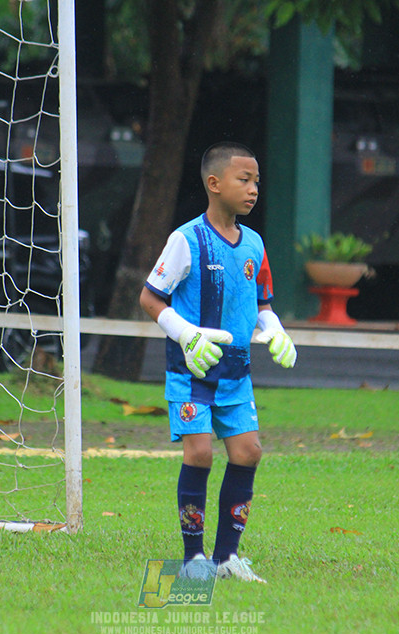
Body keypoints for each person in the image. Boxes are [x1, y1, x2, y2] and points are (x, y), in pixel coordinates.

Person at [139, 141, 297, 583]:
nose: (253, 189)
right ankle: (193, 559)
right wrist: (188, 335)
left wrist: (276, 330)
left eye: (257, 182)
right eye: (243, 180)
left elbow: (263, 304)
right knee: (201, 453)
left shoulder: (255, 245)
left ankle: (227, 557)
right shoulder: (185, 240)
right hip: (191, 374)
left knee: (249, 452)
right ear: (214, 184)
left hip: (236, 374)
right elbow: (150, 298)